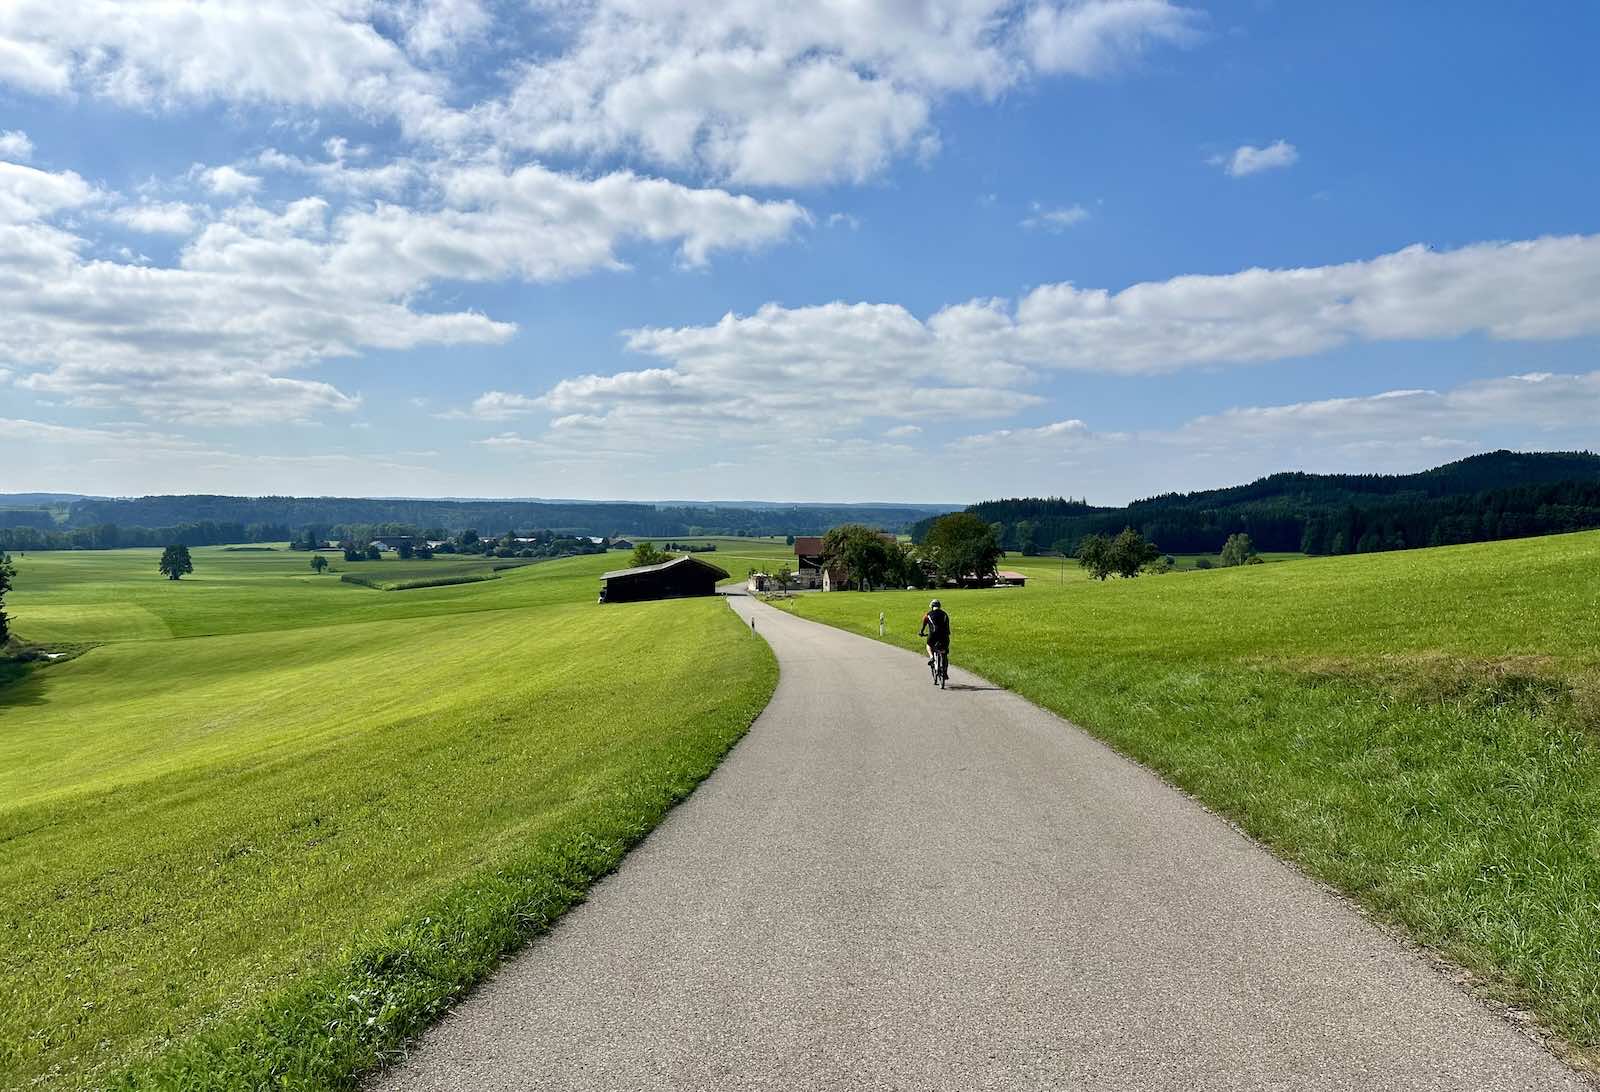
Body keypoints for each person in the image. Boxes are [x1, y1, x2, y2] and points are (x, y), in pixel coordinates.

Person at [919, 598, 950, 669]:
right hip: (944, 636)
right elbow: (947, 627)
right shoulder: (945, 614)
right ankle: (945, 672)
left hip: (933, 635)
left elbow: (924, 624)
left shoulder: (928, 615)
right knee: (944, 652)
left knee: (928, 645)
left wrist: (921, 632)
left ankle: (931, 657)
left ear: (932, 606)